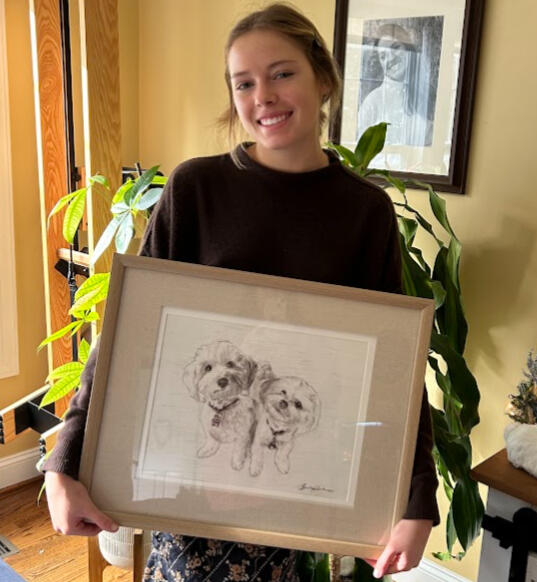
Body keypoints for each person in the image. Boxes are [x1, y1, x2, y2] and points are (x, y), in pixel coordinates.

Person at [43, 4, 439, 580]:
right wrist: (65, 461)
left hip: (297, 478)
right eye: (244, 83)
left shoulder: (365, 212)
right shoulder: (195, 188)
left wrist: (416, 500)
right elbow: (129, 333)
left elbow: (395, 369)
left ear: (322, 79)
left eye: (282, 73)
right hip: (193, 477)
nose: (263, 97)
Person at [357, 23, 433, 148]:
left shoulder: (426, 94)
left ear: (408, 49)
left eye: (396, 48)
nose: (391, 58)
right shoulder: (373, 102)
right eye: (383, 56)